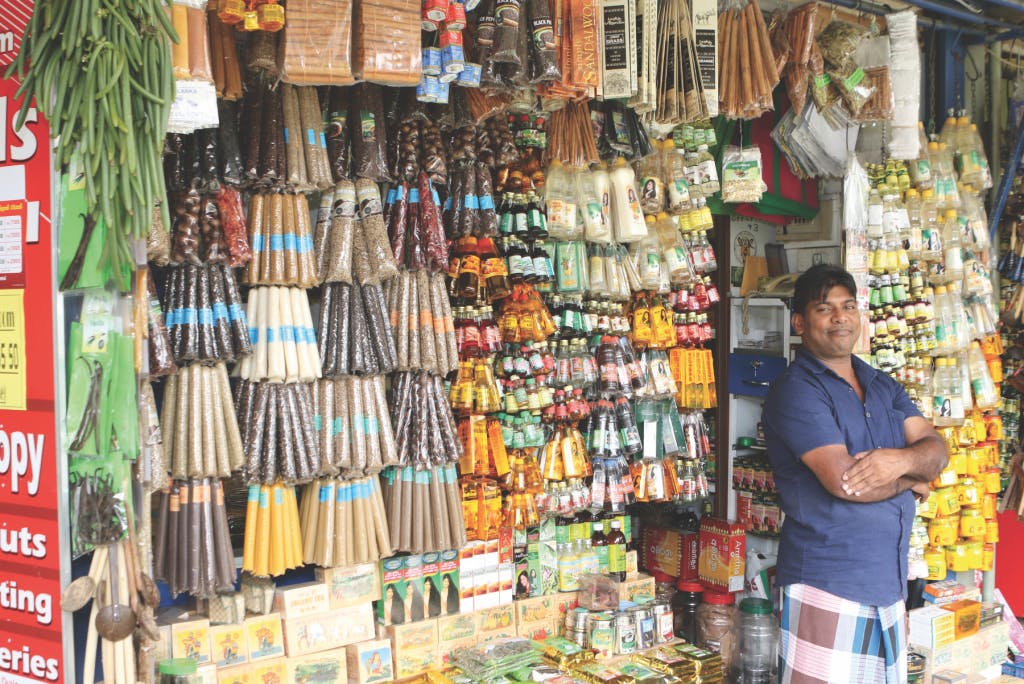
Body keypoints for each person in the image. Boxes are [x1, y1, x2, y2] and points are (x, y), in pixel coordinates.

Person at [762, 264, 948, 684]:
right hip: (828, 581)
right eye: (824, 309)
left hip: (887, 580)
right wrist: (911, 477)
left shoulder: (882, 384)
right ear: (800, 323)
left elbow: (936, 451)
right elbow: (845, 483)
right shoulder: (796, 390)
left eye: (848, 306)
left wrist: (896, 462)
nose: (840, 317)